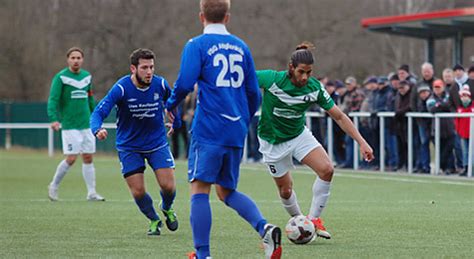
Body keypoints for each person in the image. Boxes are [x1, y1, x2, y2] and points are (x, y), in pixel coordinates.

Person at [165, 1, 282, 258]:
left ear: (201, 16)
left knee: (199, 190)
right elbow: (254, 93)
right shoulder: (242, 47)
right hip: (235, 129)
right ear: (227, 17)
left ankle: (203, 254)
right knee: (226, 191)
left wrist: (170, 104)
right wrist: (242, 119)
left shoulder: (196, 45)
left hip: (209, 128)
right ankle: (264, 228)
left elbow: (185, 82)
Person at [256, 43, 374, 240]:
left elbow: (339, 116)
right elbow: (241, 79)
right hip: (272, 141)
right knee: (285, 191)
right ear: (291, 67)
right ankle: (301, 223)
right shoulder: (272, 79)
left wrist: (362, 142)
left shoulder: (314, 88)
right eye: (301, 72)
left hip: (298, 135)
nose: (304, 77)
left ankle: (313, 220)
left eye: (309, 72)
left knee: (327, 169)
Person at [90, 48, 180, 236]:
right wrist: (97, 129)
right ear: (133, 68)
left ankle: (167, 207)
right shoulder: (121, 88)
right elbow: (99, 112)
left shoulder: (160, 84)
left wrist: (175, 121)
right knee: (138, 191)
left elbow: (172, 103)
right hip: (129, 146)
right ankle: (154, 220)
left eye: (152, 67)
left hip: (156, 143)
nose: (149, 72)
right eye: (144, 68)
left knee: (168, 186)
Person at [47, 47, 105, 202]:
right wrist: (53, 118)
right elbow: (53, 99)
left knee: (88, 157)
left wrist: (96, 118)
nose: (76, 60)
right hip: (70, 125)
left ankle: (91, 192)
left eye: (79, 57)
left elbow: (90, 99)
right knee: (71, 158)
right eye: (73, 57)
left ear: (82, 59)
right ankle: (53, 185)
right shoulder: (61, 77)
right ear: (68, 59)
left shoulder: (87, 77)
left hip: (86, 124)